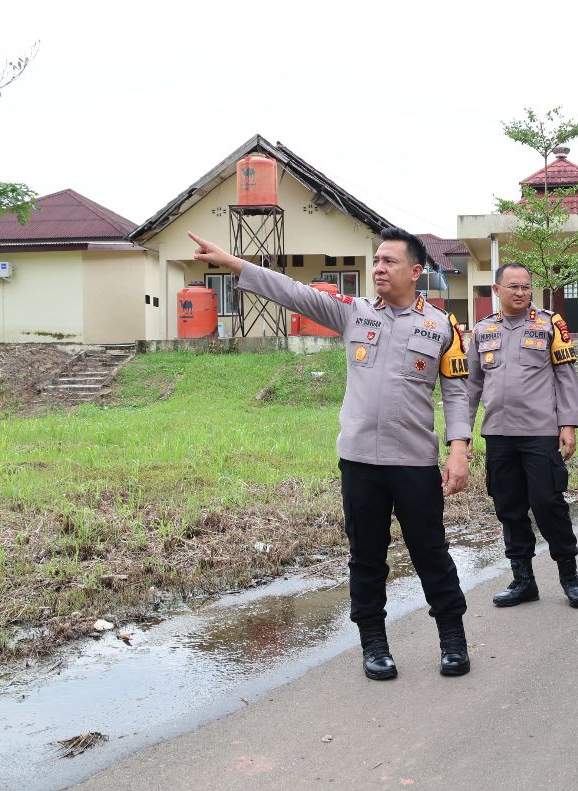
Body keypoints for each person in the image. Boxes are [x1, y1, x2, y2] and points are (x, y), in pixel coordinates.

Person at [186, 228, 474, 680]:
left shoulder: (442, 326)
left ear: (416, 272)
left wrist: (460, 451)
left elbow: (457, 395)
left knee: (431, 552)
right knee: (366, 555)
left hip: (415, 462)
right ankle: (374, 644)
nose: (378, 268)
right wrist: (234, 264)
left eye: (389, 262)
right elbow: (293, 292)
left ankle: (453, 639)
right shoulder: (353, 313)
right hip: (360, 462)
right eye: (375, 260)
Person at [465, 262, 578, 609]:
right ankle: (523, 580)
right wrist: (463, 433)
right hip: (499, 436)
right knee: (509, 508)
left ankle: (569, 575)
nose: (520, 292)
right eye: (513, 287)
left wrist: (568, 425)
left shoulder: (550, 324)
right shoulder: (482, 331)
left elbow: (566, 377)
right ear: (497, 290)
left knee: (548, 504)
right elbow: (472, 385)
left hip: (539, 433)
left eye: (526, 287)